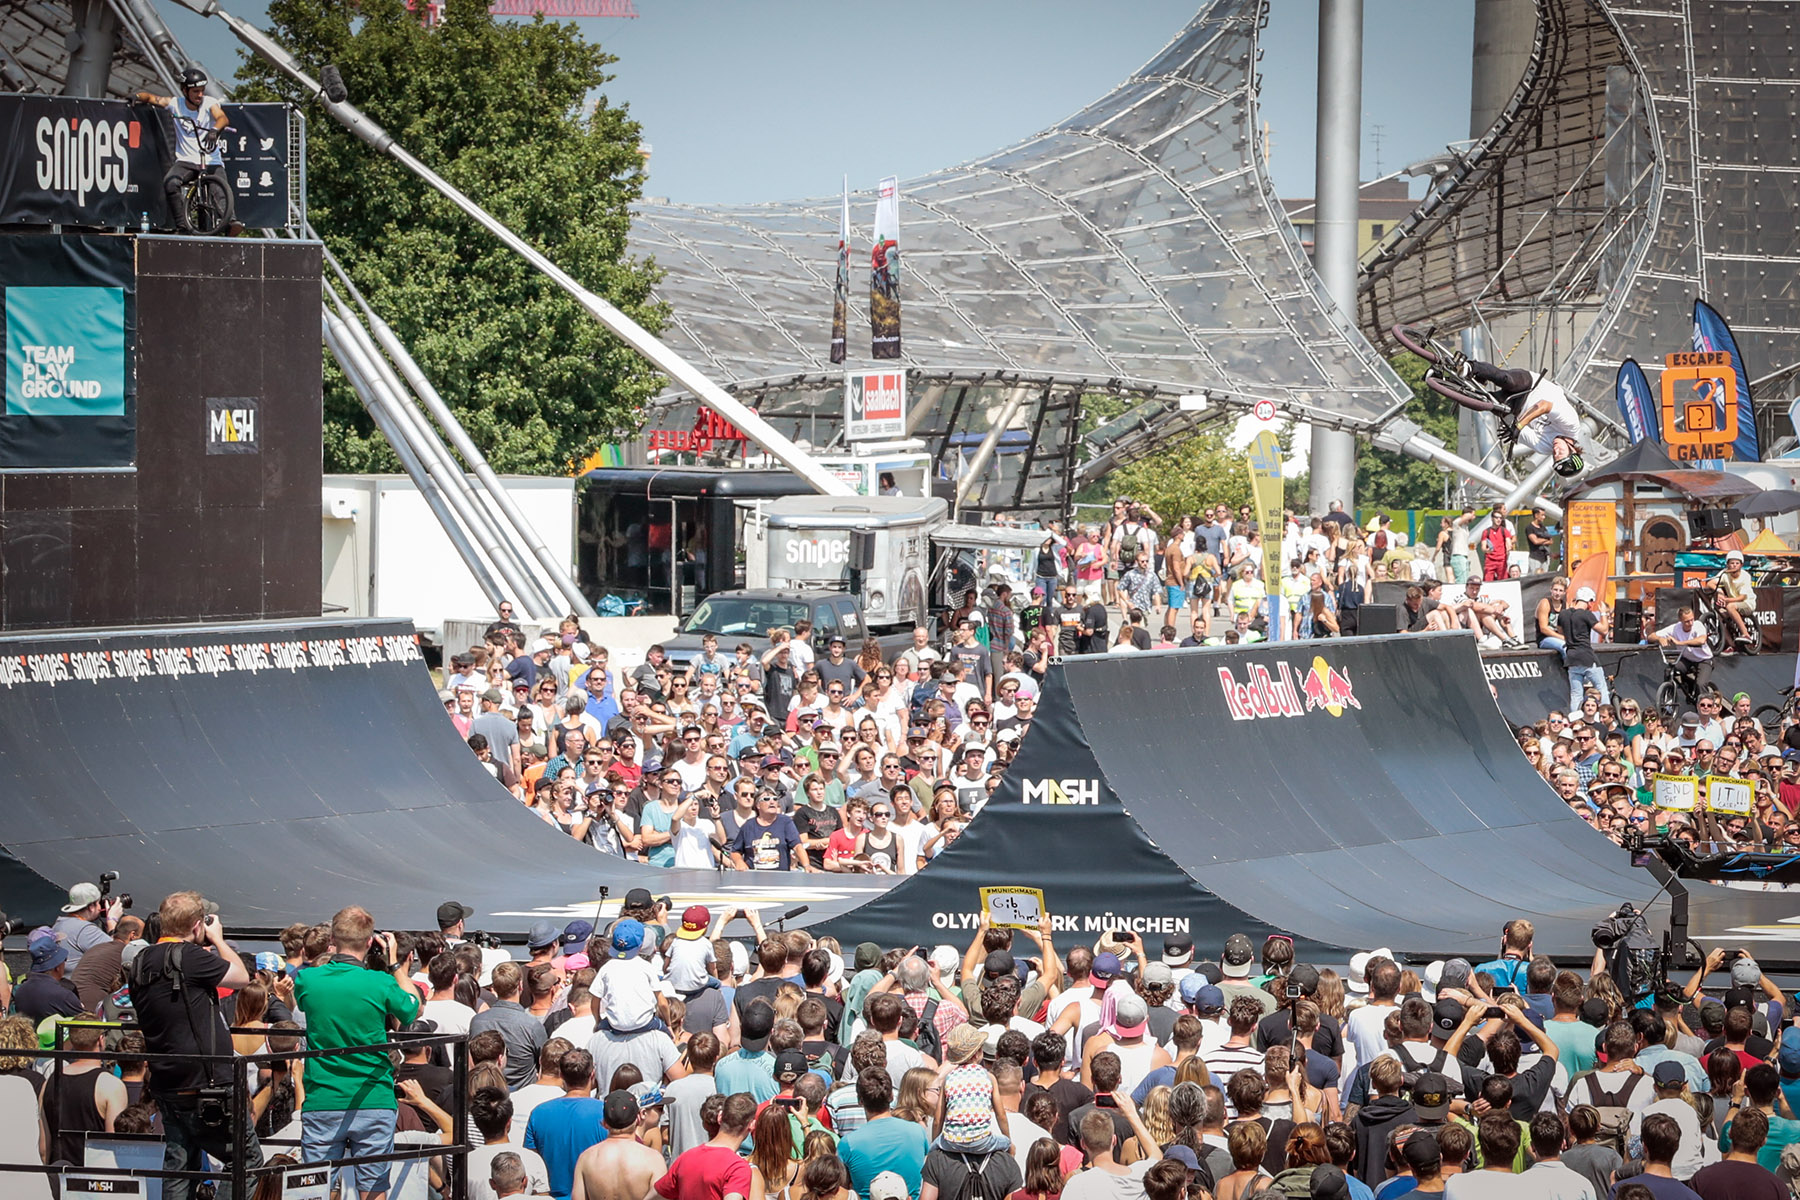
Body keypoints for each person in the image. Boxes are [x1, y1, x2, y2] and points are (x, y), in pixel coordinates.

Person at [128, 891, 264, 1200]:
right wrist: (217, 939)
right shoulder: (189, 957)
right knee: (245, 1160)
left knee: (181, 1163)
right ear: (196, 924)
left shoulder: (141, 959)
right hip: (207, 1084)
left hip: (167, 1080)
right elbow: (242, 977)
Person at [294, 907, 422, 1200]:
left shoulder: (309, 981)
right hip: (373, 1097)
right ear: (369, 942)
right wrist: (394, 965)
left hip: (323, 1098)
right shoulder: (380, 982)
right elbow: (411, 1007)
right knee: (373, 1189)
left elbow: (303, 997)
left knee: (313, 1190)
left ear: (333, 939)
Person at [132, 68, 230, 234]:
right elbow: (152, 98)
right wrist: (137, 97)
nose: (200, 95)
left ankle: (231, 223)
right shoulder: (175, 104)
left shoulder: (209, 103)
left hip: (210, 159)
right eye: (195, 91)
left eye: (202, 91)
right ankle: (183, 226)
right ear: (185, 91)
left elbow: (222, 118)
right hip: (186, 160)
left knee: (220, 193)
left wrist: (215, 130)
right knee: (171, 183)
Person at [1457, 357, 1587, 476]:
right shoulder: (1571, 425)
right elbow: (1543, 405)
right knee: (1506, 380)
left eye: (1555, 456)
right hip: (1531, 386)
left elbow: (1516, 428)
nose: (1555, 451)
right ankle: (1471, 367)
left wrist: (1512, 428)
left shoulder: (1544, 447)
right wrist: (1519, 426)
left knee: (1481, 404)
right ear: (1573, 450)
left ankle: (1452, 385)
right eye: (1561, 453)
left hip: (1516, 407)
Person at [655, 1090, 756, 1200]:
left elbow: (654, 1195)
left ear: (720, 1117)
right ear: (751, 1125)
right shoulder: (737, 1168)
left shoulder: (686, 1157)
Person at [1649, 606, 1714, 701]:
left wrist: (1679, 643)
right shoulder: (1675, 628)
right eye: (1687, 621)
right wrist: (1659, 638)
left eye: (1692, 619)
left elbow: (1701, 640)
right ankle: (1669, 699)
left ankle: (1704, 705)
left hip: (1704, 659)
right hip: (1687, 659)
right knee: (1669, 671)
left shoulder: (1698, 625)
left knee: (1700, 684)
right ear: (1680, 621)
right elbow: (1651, 636)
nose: (1690, 623)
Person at [1711, 550, 1758, 652]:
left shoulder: (1745, 576)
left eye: (1737, 563)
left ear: (1741, 565)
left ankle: (1746, 634)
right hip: (1733, 603)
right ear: (1727, 564)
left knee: (1730, 607)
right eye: (1731, 563)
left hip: (1747, 603)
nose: (1734, 565)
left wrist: (1726, 600)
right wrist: (1719, 592)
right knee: (1720, 614)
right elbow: (1711, 583)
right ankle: (1729, 645)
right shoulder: (1724, 573)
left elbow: (1742, 597)